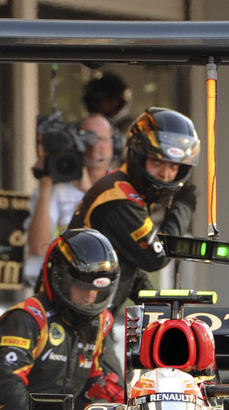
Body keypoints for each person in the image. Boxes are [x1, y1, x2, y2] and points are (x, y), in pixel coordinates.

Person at [0, 228, 122, 410]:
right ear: (61, 279)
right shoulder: (28, 317)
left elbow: (93, 382)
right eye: (82, 287)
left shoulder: (101, 322)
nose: (89, 297)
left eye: (96, 290)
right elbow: (8, 383)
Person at [67, 107, 199, 312]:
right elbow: (157, 257)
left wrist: (160, 308)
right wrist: (182, 208)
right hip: (72, 315)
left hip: (88, 313)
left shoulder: (126, 190)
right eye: (157, 161)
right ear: (139, 155)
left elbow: (127, 264)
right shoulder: (119, 198)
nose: (165, 174)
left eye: (174, 166)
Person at [25, 113, 118, 284]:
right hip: (57, 283)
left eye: (100, 139)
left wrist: (89, 193)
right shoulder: (56, 188)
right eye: (86, 138)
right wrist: (46, 184)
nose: (94, 145)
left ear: (114, 144)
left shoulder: (121, 187)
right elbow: (39, 247)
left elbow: (117, 245)